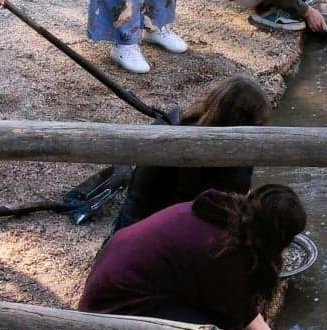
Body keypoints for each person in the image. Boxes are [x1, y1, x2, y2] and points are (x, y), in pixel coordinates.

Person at [79, 184, 306, 330]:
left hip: (108, 287)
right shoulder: (225, 258)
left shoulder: (222, 211)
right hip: (110, 319)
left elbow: (240, 305)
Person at [113, 76, 274, 231]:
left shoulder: (195, 123)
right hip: (149, 212)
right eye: (257, 124)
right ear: (244, 120)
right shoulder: (194, 144)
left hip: (147, 204)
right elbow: (185, 203)